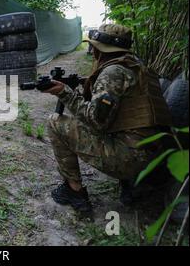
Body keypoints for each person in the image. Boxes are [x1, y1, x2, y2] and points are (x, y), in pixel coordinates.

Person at [43, 24, 172, 214]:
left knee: (55, 122)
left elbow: (96, 122)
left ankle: (74, 192)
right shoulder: (140, 69)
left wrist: (65, 93)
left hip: (131, 159)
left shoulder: (112, 73)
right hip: (156, 157)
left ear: (99, 50)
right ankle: (130, 186)